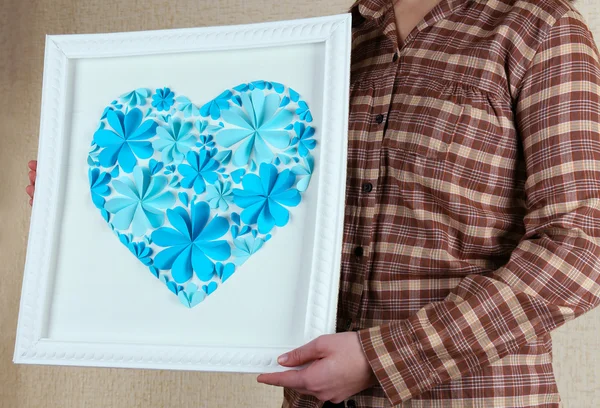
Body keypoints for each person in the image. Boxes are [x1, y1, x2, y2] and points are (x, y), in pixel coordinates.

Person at [27, 0, 600, 406]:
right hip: (315, 398)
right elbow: (250, 204)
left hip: (473, 396)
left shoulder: (539, 30)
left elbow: (581, 250)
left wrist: (383, 357)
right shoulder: (331, 43)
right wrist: (73, 200)